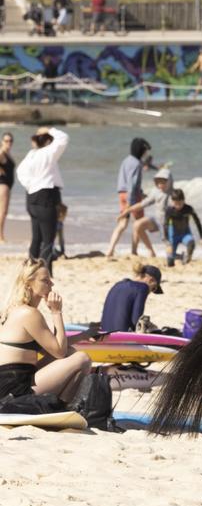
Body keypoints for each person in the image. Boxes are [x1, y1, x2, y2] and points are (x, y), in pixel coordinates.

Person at [0, 259, 90, 404]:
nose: (52, 284)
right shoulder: (29, 314)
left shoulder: (13, 310)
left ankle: (61, 405)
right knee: (83, 359)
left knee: (71, 351)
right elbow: (59, 351)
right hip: (13, 391)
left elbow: (52, 347)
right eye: (45, 280)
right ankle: (62, 407)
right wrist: (56, 312)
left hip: (9, 382)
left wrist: (84, 336)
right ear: (28, 284)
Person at [16, 128, 68, 269]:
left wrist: (31, 185)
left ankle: (31, 269)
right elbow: (63, 138)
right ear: (47, 140)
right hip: (45, 198)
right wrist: (50, 129)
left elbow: (20, 172)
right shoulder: (47, 153)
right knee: (48, 239)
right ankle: (45, 272)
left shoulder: (32, 154)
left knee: (37, 238)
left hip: (32, 198)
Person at [107, 138, 155, 258]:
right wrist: (132, 200)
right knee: (139, 224)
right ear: (140, 151)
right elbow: (132, 184)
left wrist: (140, 193)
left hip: (122, 193)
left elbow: (125, 180)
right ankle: (138, 251)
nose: (145, 154)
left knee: (122, 224)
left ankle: (110, 249)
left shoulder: (126, 160)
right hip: (132, 196)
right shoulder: (137, 164)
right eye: (145, 151)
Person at [120, 167, 175, 258]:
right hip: (156, 220)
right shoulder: (156, 192)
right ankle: (150, 251)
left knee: (169, 246)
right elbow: (142, 204)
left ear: (169, 181)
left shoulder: (173, 194)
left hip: (169, 223)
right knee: (137, 225)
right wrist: (127, 211)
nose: (160, 184)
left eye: (163, 182)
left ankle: (174, 255)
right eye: (158, 182)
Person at [100, 263, 164, 334]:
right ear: (150, 280)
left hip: (104, 335)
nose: (151, 292)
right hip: (122, 337)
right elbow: (136, 321)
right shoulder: (143, 287)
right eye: (154, 288)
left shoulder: (118, 284)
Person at [164, 189, 202, 266]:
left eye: (180, 203)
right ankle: (181, 256)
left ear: (184, 200)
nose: (178, 206)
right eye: (175, 203)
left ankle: (186, 257)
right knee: (170, 262)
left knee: (191, 244)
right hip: (173, 235)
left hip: (185, 233)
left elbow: (197, 222)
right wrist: (168, 243)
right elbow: (165, 225)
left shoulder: (189, 209)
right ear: (172, 201)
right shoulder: (169, 210)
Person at [0, 133, 13, 243]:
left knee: (3, 212)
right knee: (2, 212)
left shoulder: (7, 154)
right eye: (6, 140)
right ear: (2, 141)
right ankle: (0, 236)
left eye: (10, 141)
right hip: (3, 185)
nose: (8, 143)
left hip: (6, 185)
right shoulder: (2, 153)